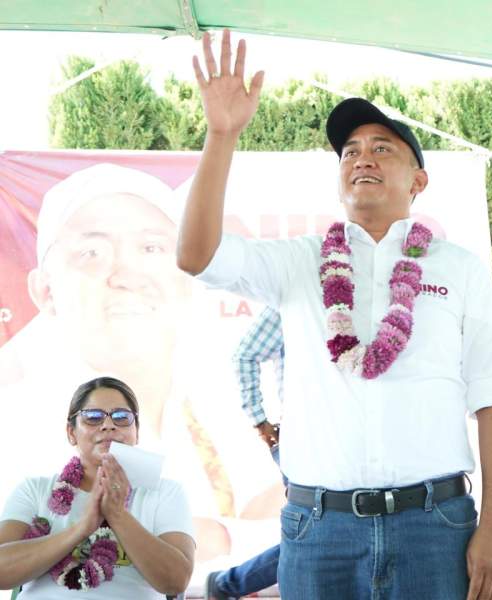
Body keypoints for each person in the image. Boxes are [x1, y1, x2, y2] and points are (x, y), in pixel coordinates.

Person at [179, 29, 492, 600]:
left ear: (418, 181)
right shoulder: (299, 261)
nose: (363, 157)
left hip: (435, 525)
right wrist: (221, 134)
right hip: (318, 532)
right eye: (351, 151)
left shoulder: (458, 268)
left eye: (382, 148)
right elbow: (196, 255)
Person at [0, 163, 282, 562]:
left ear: (188, 277)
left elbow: (298, 525)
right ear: (45, 290)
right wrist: (217, 538)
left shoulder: (227, 401)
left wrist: (215, 537)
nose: (128, 275)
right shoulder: (14, 420)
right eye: (91, 253)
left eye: (151, 248)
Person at [0, 376, 195, 598]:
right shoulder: (34, 489)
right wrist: (82, 528)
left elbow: (175, 582)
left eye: (122, 417)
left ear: (137, 432)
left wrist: (118, 515)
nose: (108, 425)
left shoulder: (165, 493)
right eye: (93, 417)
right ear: (71, 433)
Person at [206, 307, 284, 600]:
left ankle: (228, 584)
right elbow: (245, 355)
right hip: (305, 447)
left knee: (322, 535)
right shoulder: (299, 296)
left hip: (358, 449)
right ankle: (228, 584)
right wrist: (260, 421)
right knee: (314, 534)